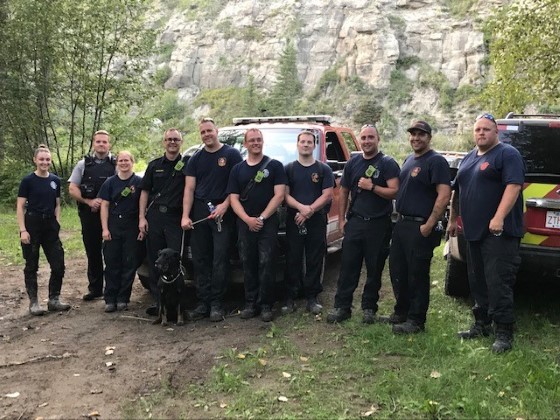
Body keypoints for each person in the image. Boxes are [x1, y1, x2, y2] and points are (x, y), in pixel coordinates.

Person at [448, 113, 524, 353]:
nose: (481, 133)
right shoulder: (468, 158)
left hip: (498, 233)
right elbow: (457, 191)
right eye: (477, 129)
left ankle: (504, 332)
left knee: (498, 281)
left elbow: (513, 186)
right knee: (477, 280)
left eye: (486, 129)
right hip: (473, 232)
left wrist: (499, 217)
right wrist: (452, 219)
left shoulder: (507, 154)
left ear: (496, 132)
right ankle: (481, 324)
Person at [327, 124, 400, 324]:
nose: (367, 141)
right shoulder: (353, 163)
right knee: (348, 267)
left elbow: (395, 191)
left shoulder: (387, 163)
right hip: (356, 222)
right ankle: (342, 307)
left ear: (378, 139)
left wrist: (372, 187)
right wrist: (342, 219)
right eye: (364, 137)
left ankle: (369, 309)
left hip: (379, 224)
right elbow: (344, 191)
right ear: (360, 140)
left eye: (371, 137)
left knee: (374, 269)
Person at [386, 121, 451, 334]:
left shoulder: (436, 161)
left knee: (417, 274)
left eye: (421, 134)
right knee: (398, 270)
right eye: (413, 134)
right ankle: (401, 312)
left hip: (420, 226)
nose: (416, 138)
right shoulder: (409, 160)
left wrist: (429, 224)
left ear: (429, 137)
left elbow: (444, 195)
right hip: (402, 224)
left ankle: (416, 320)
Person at [181, 118, 242, 322]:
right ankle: (203, 302)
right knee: (200, 258)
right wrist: (185, 215)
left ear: (216, 131)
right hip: (200, 210)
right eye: (203, 132)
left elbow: (237, 186)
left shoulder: (231, 155)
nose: (206, 134)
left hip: (223, 211)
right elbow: (189, 189)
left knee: (220, 258)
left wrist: (225, 205)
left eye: (209, 130)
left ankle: (217, 303)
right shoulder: (195, 159)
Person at [228, 128, 287, 322]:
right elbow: (233, 198)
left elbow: (279, 195)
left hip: (267, 223)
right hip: (245, 223)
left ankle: (266, 305)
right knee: (248, 263)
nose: (256, 143)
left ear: (262, 142)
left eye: (259, 140)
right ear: (245, 144)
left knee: (266, 262)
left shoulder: (275, 166)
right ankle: (250, 303)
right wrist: (247, 219)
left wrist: (261, 218)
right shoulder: (237, 169)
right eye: (252, 140)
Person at [282, 130, 334, 315]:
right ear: (297, 144)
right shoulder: (288, 169)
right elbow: (284, 195)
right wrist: (301, 208)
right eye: (302, 141)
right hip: (294, 219)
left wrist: (310, 210)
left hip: (316, 220)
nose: (305, 144)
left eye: (309, 142)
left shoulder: (323, 169)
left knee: (314, 259)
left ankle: (312, 297)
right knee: (292, 259)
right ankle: (290, 298)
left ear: (314, 145)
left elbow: (327, 195)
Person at [139, 128, 189, 316]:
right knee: (156, 260)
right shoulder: (154, 166)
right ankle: (158, 302)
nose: (172, 142)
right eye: (169, 139)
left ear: (181, 142)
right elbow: (144, 192)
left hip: (175, 218)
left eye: (176, 139)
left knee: (175, 260)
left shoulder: (188, 165)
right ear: (164, 142)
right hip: (155, 217)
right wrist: (142, 218)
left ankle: (177, 303)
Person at [17, 145, 70, 315]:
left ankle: (54, 299)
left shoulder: (55, 180)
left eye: (47, 159)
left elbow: (57, 204)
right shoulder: (28, 181)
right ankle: (34, 303)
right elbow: (20, 206)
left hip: (50, 226)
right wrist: (23, 230)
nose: (44, 162)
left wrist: (57, 222)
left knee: (58, 264)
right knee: (31, 265)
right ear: (35, 160)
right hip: (32, 224)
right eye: (41, 159)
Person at [68, 130, 115, 301]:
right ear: (94, 143)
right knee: (93, 252)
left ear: (109, 144)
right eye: (98, 142)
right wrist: (88, 201)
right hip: (89, 215)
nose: (101, 144)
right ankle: (95, 288)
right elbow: (72, 188)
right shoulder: (83, 165)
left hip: (112, 215)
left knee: (112, 253)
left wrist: (105, 202)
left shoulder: (117, 164)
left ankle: (112, 289)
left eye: (104, 142)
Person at [99, 151, 144, 313]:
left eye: (127, 160)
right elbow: (104, 206)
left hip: (132, 225)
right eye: (121, 161)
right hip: (114, 225)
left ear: (132, 162)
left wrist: (141, 226)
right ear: (117, 163)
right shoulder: (110, 183)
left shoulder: (139, 182)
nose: (124, 163)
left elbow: (143, 204)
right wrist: (105, 229)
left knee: (129, 263)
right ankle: (110, 299)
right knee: (112, 263)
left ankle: (123, 298)